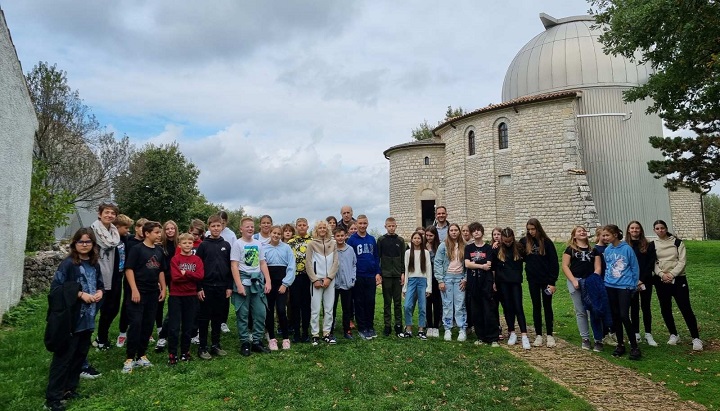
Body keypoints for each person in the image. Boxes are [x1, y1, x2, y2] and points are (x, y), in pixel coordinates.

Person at [44, 228, 103, 411]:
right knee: (63, 358)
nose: (84, 245)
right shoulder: (68, 264)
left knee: (79, 355)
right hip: (71, 320)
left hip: (88, 318)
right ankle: (53, 398)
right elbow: (56, 290)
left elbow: (99, 283)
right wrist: (79, 294)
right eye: (80, 242)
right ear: (74, 244)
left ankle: (70, 388)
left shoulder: (94, 264)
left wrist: (100, 292)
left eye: (88, 242)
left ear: (93, 244)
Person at [651, 220, 703, 351]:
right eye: (657, 228)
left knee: (685, 308)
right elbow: (653, 263)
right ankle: (673, 334)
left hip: (678, 279)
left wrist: (672, 274)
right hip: (661, 280)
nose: (660, 230)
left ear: (666, 228)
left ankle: (696, 338)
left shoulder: (677, 243)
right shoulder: (653, 244)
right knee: (665, 308)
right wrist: (662, 274)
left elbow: (682, 261)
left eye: (662, 228)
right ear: (654, 230)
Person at [123, 221, 167, 373]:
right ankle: (129, 358)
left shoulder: (160, 251)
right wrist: (134, 289)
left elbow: (161, 270)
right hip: (137, 292)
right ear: (147, 233)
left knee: (148, 324)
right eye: (156, 232)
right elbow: (129, 269)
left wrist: (163, 288)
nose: (158, 234)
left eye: (159, 232)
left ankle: (141, 355)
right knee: (136, 323)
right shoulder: (137, 249)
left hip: (152, 293)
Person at [231, 217, 272, 356]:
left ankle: (257, 341)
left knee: (261, 313)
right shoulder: (237, 244)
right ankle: (244, 343)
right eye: (247, 226)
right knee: (242, 314)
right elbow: (234, 265)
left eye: (252, 226)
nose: (250, 228)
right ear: (241, 229)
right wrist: (239, 285)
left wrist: (268, 281)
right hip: (243, 280)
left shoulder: (258, 244)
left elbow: (262, 263)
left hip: (257, 281)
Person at [561, 226, 605, 351]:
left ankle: (598, 339)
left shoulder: (594, 250)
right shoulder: (570, 249)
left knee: (594, 310)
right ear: (574, 236)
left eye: (584, 230)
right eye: (579, 231)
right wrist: (574, 280)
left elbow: (598, 267)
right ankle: (585, 338)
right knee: (581, 311)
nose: (582, 232)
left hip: (590, 282)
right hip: (576, 281)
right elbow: (565, 266)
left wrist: (593, 280)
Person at [195, 214, 233, 360]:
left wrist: (229, 286)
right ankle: (202, 347)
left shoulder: (226, 245)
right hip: (206, 286)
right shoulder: (203, 245)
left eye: (219, 226)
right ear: (209, 227)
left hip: (222, 287)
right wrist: (199, 288)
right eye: (213, 226)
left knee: (218, 317)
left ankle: (216, 345)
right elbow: (197, 268)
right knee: (204, 318)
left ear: (222, 227)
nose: (216, 228)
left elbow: (230, 267)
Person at [602, 224, 641, 360]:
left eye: (607, 235)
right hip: (610, 285)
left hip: (625, 286)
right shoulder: (607, 250)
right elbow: (607, 267)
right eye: (603, 235)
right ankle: (620, 344)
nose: (605, 237)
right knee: (616, 316)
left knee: (624, 315)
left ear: (615, 234)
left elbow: (634, 267)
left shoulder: (627, 249)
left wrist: (634, 284)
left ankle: (634, 347)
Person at [520, 218, 559, 348]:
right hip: (533, 280)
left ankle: (549, 335)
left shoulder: (547, 242)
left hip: (546, 280)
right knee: (536, 306)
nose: (531, 232)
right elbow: (515, 251)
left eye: (533, 229)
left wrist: (552, 282)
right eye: (529, 229)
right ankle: (538, 335)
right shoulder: (525, 242)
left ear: (538, 228)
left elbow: (554, 262)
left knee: (547, 306)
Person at [167, 233, 204, 364]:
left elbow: (200, 276)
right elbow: (175, 278)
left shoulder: (197, 260)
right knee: (174, 327)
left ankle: (185, 351)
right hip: (176, 296)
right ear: (179, 245)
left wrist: (186, 273)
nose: (187, 245)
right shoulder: (175, 259)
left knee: (188, 326)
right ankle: (172, 353)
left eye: (190, 243)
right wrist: (191, 276)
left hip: (191, 296)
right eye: (184, 243)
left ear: (193, 244)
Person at [90, 203, 121, 352]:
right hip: (96, 275)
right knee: (93, 309)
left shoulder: (115, 233)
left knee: (111, 309)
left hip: (112, 274)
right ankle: (81, 338)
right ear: (100, 214)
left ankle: (101, 338)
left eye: (112, 213)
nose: (109, 215)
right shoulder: (92, 231)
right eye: (106, 212)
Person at [494, 227, 531, 350]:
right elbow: (494, 267)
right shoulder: (498, 249)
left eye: (510, 241)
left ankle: (524, 334)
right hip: (502, 282)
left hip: (515, 282)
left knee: (518, 307)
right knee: (508, 308)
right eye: (506, 241)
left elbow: (527, 257)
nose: (508, 243)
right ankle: (512, 332)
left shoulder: (519, 248)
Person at [464, 222, 499, 346]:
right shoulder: (469, 248)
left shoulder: (488, 248)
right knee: (476, 310)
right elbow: (467, 264)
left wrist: (480, 266)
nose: (476, 232)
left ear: (482, 232)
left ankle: (493, 337)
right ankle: (481, 336)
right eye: (474, 231)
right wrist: (481, 266)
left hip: (486, 281)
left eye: (478, 230)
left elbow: (489, 264)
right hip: (473, 282)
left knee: (488, 309)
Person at [347, 214, 381, 340]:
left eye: (364, 223)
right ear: (356, 225)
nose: (362, 226)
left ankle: (370, 326)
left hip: (370, 275)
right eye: (360, 223)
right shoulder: (352, 240)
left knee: (370, 301)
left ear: (367, 224)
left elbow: (376, 256)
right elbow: (349, 259)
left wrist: (377, 272)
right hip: (358, 275)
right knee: (359, 302)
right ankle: (362, 327)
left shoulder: (372, 239)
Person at [306, 220, 339, 345]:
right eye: (320, 228)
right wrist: (314, 279)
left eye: (324, 227)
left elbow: (336, 262)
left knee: (329, 308)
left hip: (329, 281)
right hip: (316, 282)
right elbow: (308, 263)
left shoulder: (333, 243)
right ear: (316, 230)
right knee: (315, 309)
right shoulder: (311, 244)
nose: (322, 230)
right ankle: (315, 334)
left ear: (328, 229)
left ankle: (326, 333)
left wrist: (329, 278)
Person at [116, 217, 147, 349]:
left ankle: (144, 330)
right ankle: (123, 332)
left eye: (146, 228)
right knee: (127, 305)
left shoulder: (148, 243)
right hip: (130, 277)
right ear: (137, 228)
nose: (143, 230)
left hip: (144, 279)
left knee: (144, 305)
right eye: (141, 227)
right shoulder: (128, 240)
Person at [626, 221, 658, 346]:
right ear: (629, 230)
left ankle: (648, 334)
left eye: (637, 228)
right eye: (632, 228)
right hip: (631, 281)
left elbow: (650, 263)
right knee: (633, 307)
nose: (635, 230)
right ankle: (636, 333)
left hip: (645, 280)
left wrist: (642, 279)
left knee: (646, 306)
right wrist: (634, 280)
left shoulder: (648, 245)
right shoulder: (625, 245)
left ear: (641, 230)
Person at [264, 225, 295, 350]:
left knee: (281, 310)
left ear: (281, 235)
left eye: (278, 233)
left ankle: (286, 338)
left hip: (281, 284)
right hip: (269, 284)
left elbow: (291, 267)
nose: (276, 235)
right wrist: (266, 282)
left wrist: (285, 284)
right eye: (274, 233)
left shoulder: (286, 248)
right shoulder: (264, 247)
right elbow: (262, 266)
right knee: (269, 311)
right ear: (270, 233)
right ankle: (272, 338)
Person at [434, 223, 467, 342]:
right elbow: (437, 263)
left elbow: (467, 264)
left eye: (455, 230)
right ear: (448, 232)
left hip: (459, 278)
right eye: (451, 230)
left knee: (460, 304)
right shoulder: (443, 246)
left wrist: (465, 278)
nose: (453, 232)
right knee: (447, 304)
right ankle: (447, 328)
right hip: (447, 278)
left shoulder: (464, 246)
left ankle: (462, 329)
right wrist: (440, 280)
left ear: (459, 232)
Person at [400, 231, 432, 340]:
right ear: (412, 240)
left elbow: (428, 270)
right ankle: (408, 328)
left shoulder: (426, 253)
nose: (417, 240)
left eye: (419, 238)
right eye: (415, 238)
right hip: (411, 281)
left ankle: (421, 329)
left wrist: (429, 287)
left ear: (421, 240)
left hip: (422, 281)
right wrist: (404, 287)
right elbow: (406, 269)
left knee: (422, 307)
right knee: (407, 305)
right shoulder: (408, 252)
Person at [377, 217, 405, 337]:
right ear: (385, 227)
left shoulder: (401, 240)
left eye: (393, 226)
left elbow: (404, 258)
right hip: (386, 275)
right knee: (387, 302)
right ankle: (387, 326)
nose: (391, 228)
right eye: (389, 226)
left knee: (397, 302)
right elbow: (378, 258)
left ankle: (398, 325)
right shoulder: (381, 240)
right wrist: (379, 273)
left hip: (397, 275)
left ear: (396, 226)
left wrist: (403, 272)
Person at [288, 218, 313, 343]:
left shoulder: (312, 241)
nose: (302, 227)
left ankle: (305, 332)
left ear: (307, 227)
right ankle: (296, 333)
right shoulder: (290, 242)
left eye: (304, 225)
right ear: (296, 227)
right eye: (299, 225)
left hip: (308, 277)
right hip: (295, 277)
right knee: (295, 305)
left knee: (306, 306)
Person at [155, 220, 178, 351]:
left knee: (174, 304)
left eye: (172, 229)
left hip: (176, 278)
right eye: (167, 229)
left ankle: (166, 331)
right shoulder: (160, 245)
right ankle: (160, 329)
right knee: (160, 302)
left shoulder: (178, 244)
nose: (170, 231)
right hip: (163, 276)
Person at [332, 226, 356, 339]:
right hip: (334, 284)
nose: (340, 238)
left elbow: (354, 264)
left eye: (342, 235)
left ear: (346, 236)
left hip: (347, 284)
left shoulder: (350, 249)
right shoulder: (331, 249)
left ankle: (347, 330)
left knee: (347, 309)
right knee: (331, 308)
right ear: (334, 236)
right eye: (338, 236)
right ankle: (330, 330)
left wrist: (352, 278)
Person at [424, 226, 442, 337]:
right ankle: (429, 325)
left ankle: (436, 326)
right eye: (427, 235)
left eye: (431, 235)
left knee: (437, 302)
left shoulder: (439, 247)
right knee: (427, 301)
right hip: (426, 277)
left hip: (436, 277)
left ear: (435, 236)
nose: (429, 237)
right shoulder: (423, 246)